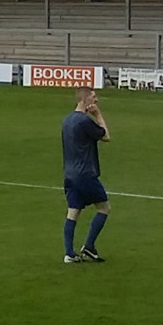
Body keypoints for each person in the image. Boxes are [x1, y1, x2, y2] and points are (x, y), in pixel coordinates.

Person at [59, 88, 110, 264]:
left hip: (70, 175)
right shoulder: (84, 121)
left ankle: (69, 253)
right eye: (94, 98)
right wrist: (98, 115)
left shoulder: (67, 120)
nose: (96, 101)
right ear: (85, 99)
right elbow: (106, 136)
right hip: (85, 174)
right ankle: (88, 246)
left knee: (73, 212)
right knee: (104, 208)